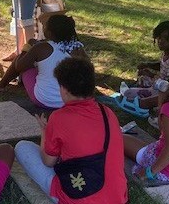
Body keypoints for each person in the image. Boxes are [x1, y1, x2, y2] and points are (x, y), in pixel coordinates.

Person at [15, 58, 128, 203]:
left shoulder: (59, 118)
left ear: (64, 89)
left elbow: (48, 161)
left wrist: (44, 131)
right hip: (116, 198)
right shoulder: (107, 113)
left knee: (23, 147)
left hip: (78, 196)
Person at [0, 15, 87, 109]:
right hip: (71, 100)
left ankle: (1, 85)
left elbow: (19, 66)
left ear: (49, 32)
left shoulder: (41, 48)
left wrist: (27, 48)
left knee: (20, 60)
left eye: (45, 26)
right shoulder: (78, 48)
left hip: (45, 100)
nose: (43, 28)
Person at [122, 21, 169, 110]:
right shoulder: (168, 54)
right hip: (160, 88)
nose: (160, 41)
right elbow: (162, 65)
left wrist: (151, 75)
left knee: (131, 95)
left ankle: (149, 104)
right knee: (135, 86)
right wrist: (148, 65)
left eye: (165, 38)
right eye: (159, 37)